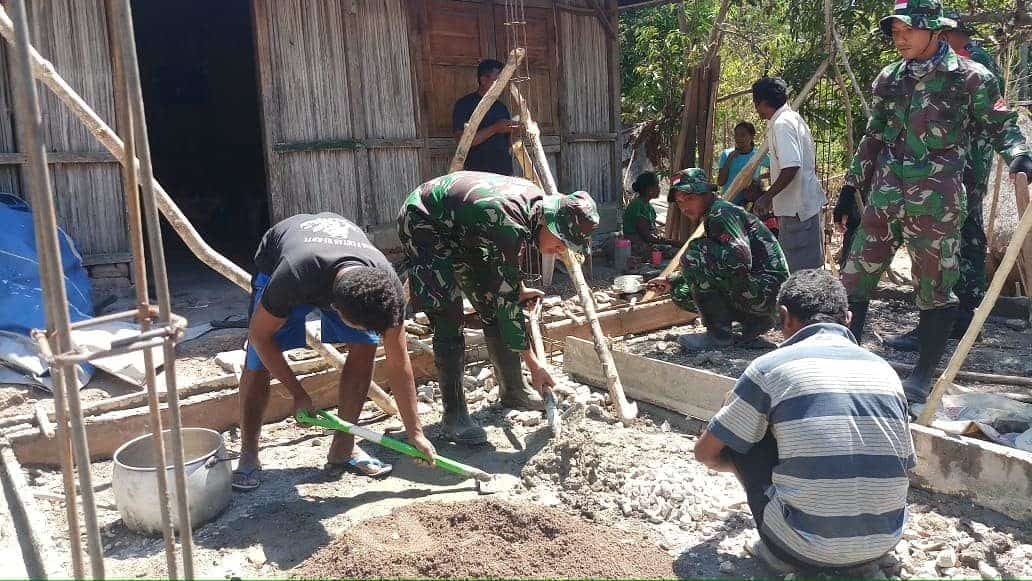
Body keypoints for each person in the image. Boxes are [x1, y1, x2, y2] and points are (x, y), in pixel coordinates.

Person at [832, 0, 1032, 404]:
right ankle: (845, 367)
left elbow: (1001, 125)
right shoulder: (889, 78)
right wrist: (850, 189)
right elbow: (874, 135)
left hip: (936, 204)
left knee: (935, 289)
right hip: (884, 199)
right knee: (854, 280)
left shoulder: (971, 78)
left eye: (907, 29)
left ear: (934, 30)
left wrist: (1019, 155)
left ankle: (921, 378)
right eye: (894, 31)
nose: (899, 38)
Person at [694, 269, 915, 574]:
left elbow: (705, 452)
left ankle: (781, 550)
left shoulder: (769, 368)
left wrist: (741, 465)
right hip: (883, 542)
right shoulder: (886, 372)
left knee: (738, 428)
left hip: (804, 550)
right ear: (848, 319)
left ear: (784, 317)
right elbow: (905, 463)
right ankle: (859, 549)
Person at [233, 213, 436, 491]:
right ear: (335, 311)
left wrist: (415, 433)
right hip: (284, 259)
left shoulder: (386, 288)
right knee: (257, 363)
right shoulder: (293, 275)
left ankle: (344, 446)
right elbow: (259, 336)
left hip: (342, 262)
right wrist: (298, 393)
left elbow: (399, 364)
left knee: (365, 346)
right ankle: (249, 453)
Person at [399, 171, 599, 444]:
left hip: (465, 227)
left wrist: (515, 289)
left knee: (491, 306)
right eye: (561, 242)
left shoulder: (531, 211)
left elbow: (503, 274)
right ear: (549, 223)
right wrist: (535, 364)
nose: (560, 250)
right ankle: (454, 416)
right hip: (425, 220)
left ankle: (513, 389)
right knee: (448, 314)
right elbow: (508, 303)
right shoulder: (508, 224)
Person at [880, 11, 1004, 352]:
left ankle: (959, 317)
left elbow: (989, 117)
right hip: (948, 167)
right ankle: (957, 317)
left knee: (959, 238)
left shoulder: (974, 64)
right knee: (954, 239)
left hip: (961, 166)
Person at [646, 169, 788, 351]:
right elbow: (723, 266)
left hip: (766, 291)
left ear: (706, 194)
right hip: (767, 292)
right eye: (679, 202)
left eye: (689, 198)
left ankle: (718, 337)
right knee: (680, 290)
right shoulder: (716, 213)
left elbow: (740, 260)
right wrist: (671, 280)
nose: (683, 207)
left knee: (694, 252)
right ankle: (752, 325)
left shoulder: (721, 213)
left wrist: (697, 255)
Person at [750, 77, 827, 272]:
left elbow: (791, 166)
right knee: (806, 270)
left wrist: (767, 197)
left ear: (761, 102)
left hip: (797, 211)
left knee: (799, 272)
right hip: (801, 208)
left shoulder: (782, 124)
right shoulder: (791, 119)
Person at [452, 59, 519, 176]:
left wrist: (517, 130)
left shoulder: (501, 107)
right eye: (498, 80)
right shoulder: (464, 104)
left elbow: (509, 143)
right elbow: (461, 141)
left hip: (504, 172)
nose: (502, 84)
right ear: (483, 80)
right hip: (477, 175)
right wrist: (495, 128)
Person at [623, 171, 675, 259]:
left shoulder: (648, 207)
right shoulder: (637, 206)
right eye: (657, 185)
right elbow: (647, 236)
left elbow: (651, 233)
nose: (659, 188)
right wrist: (672, 242)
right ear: (650, 190)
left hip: (646, 244)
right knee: (675, 252)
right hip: (634, 247)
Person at [717, 121, 770, 205]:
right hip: (728, 201)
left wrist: (759, 178)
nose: (739, 138)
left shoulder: (758, 155)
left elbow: (775, 169)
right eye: (736, 135)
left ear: (752, 137)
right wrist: (729, 159)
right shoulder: (726, 154)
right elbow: (720, 182)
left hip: (749, 203)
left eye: (742, 135)